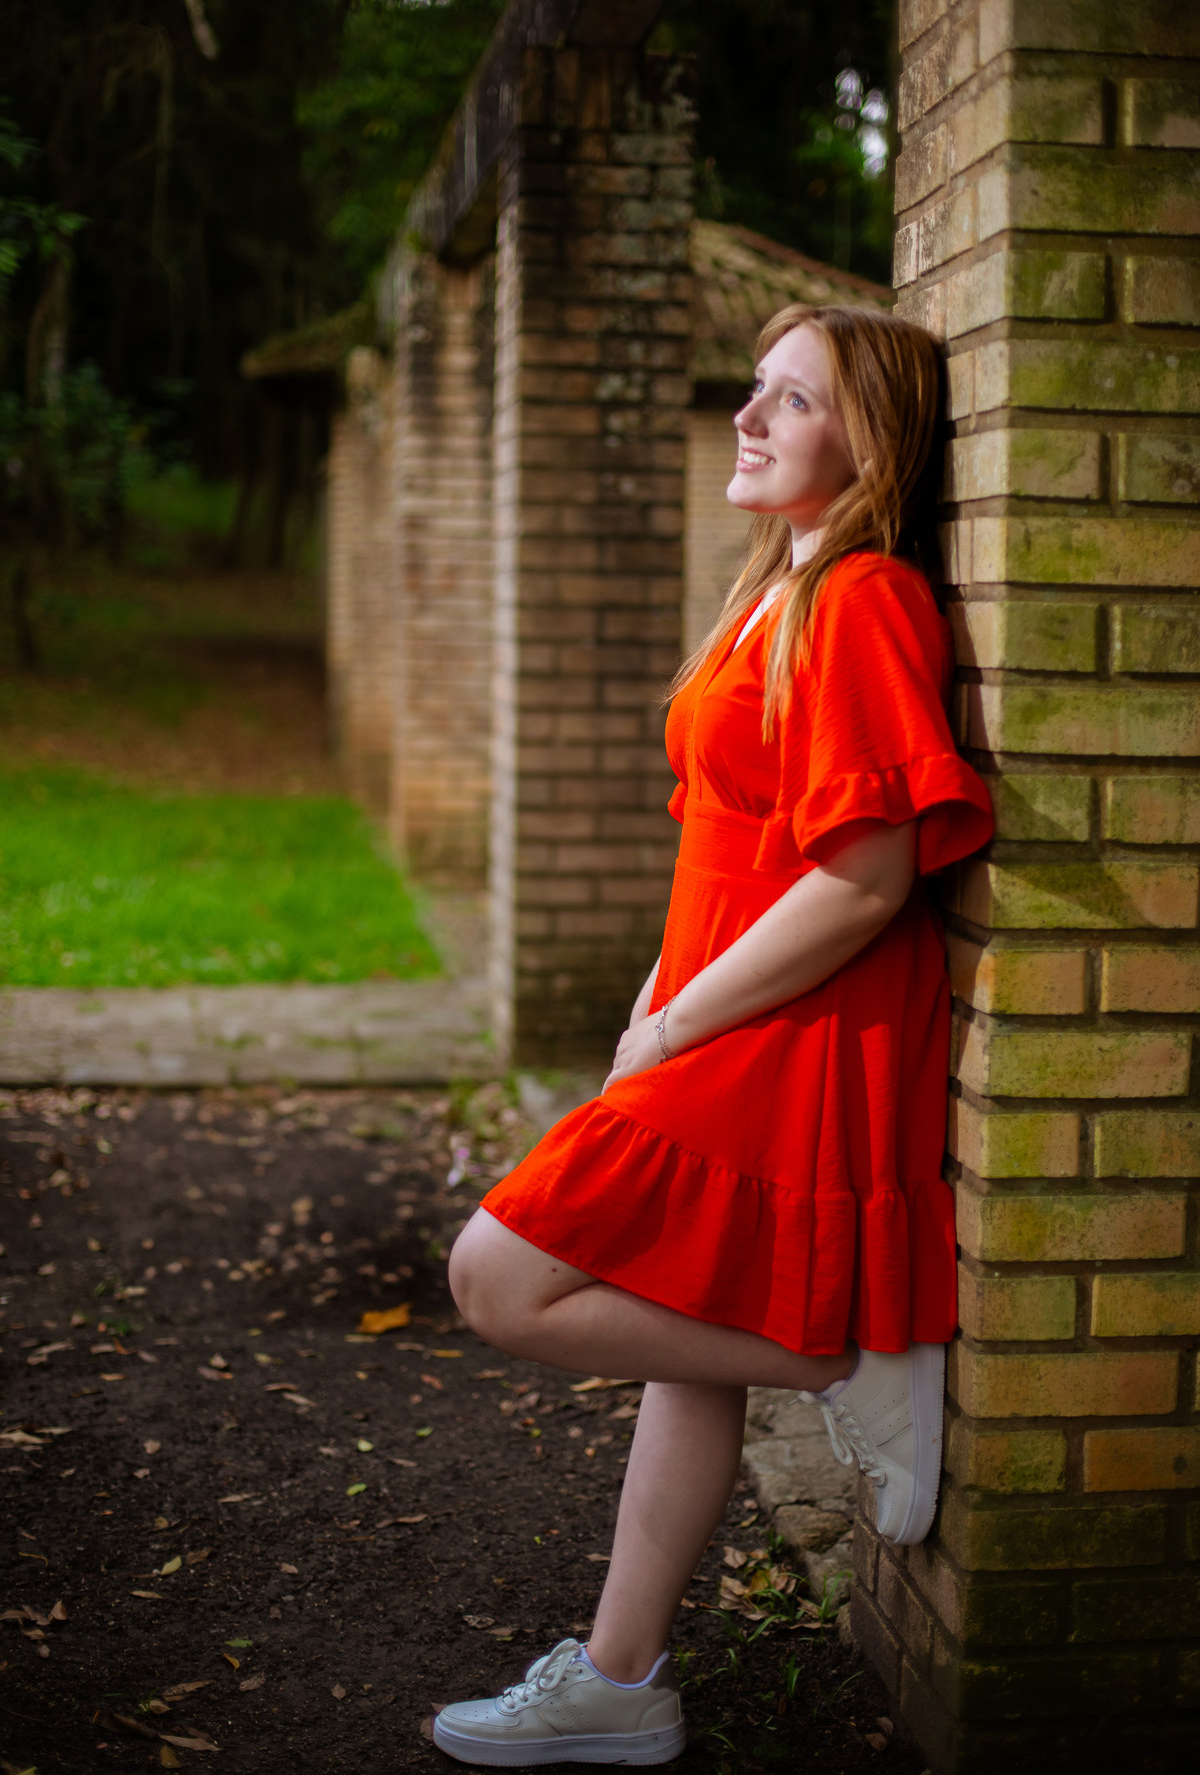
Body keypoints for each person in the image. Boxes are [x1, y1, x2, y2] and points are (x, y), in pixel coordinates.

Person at [432, 303, 994, 1768]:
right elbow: (728, 844)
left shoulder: (864, 596)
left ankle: (839, 1365)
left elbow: (866, 877)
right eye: (756, 388)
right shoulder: (778, 587)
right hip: (716, 998)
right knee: (691, 1347)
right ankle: (623, 1682)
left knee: (498, 1276)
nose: (747, 417)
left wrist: (680, 1018)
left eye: (792, 399)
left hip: (793, 1024)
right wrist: (651, 991)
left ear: (873, 443)